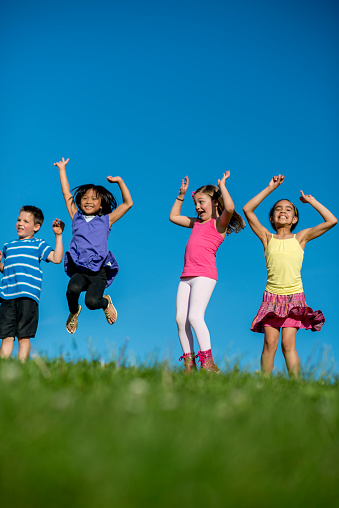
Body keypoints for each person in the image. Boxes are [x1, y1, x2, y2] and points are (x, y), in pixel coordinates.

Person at [242, 175, 337, 378]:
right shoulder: (267, 237)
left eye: (288, 210)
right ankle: (264, 385)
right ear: (271, 218)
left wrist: (311, 201)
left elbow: (332, 220)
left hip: (294, 297)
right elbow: (247, 210)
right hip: (271, 297)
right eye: (278, 209)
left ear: (294, 219)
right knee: (270, 342)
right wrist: (270, 188)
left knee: (287, 343)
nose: (283, 211)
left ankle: (296, 385)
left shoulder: (300, 237)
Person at [169, 173, 245, 372]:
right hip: (186, 276)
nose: (197, 207)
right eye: (195, 203)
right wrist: (181, 195)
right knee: (180, 319)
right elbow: (173, 217)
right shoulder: (196, 223)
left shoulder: (219, 224)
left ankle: (209, 363)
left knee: (195, 317)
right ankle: (189, 363)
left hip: (205, 275)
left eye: (201, 202)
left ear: (215, 203)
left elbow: (230, 208)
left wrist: (222, 186)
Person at [54, 157, 133, 334]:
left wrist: (119, 181)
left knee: (91, 302)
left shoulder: (106, 220)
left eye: (94, 199)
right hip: (80, 268)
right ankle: (74, 311)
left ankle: (105, 302)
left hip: (99, 271)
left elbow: (128, 203)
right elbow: (67, 195)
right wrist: (61, 169)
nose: (88, 201)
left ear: (101, 204)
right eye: (84, 198)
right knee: (72, 289)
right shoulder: (76, 217)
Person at [0, 206, 64, 361]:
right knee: (6, 335)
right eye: (18, 220)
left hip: (28, 296)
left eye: (25, 221)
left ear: (36, 227)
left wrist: (58, 236)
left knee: (23, 335)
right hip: (7, 296)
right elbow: (6, 270)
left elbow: (56, 258)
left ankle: (22, 366)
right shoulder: (8, 246)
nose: (20, 223)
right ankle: (3, 365)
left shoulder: (38, 244)